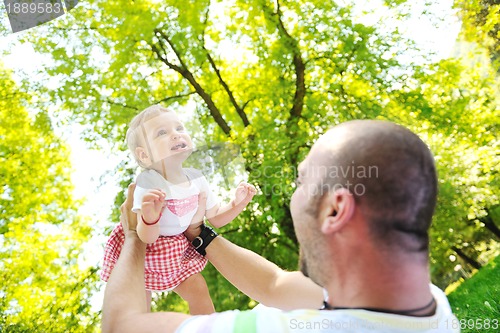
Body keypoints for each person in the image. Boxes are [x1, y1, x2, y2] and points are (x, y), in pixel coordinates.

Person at [102, 120, 460, 332]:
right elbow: (273, 285)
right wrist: (200, 232)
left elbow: (122, 326)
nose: (293, 195)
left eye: (302, 183)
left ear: (336, 210)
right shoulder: (427, 305)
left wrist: (133, 238)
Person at [100, 105, 256, 314]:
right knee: (139, 300)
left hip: (175, 248)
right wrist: (150, 218)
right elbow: (145, 237)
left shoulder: (196, 178)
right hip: (143, 248)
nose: (175, 135)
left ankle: (208, 328)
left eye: (179, 128)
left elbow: (216, 218)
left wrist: (238, 203)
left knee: (198, 287)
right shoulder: (148, 182)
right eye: (162, 133)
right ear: (145, 156)